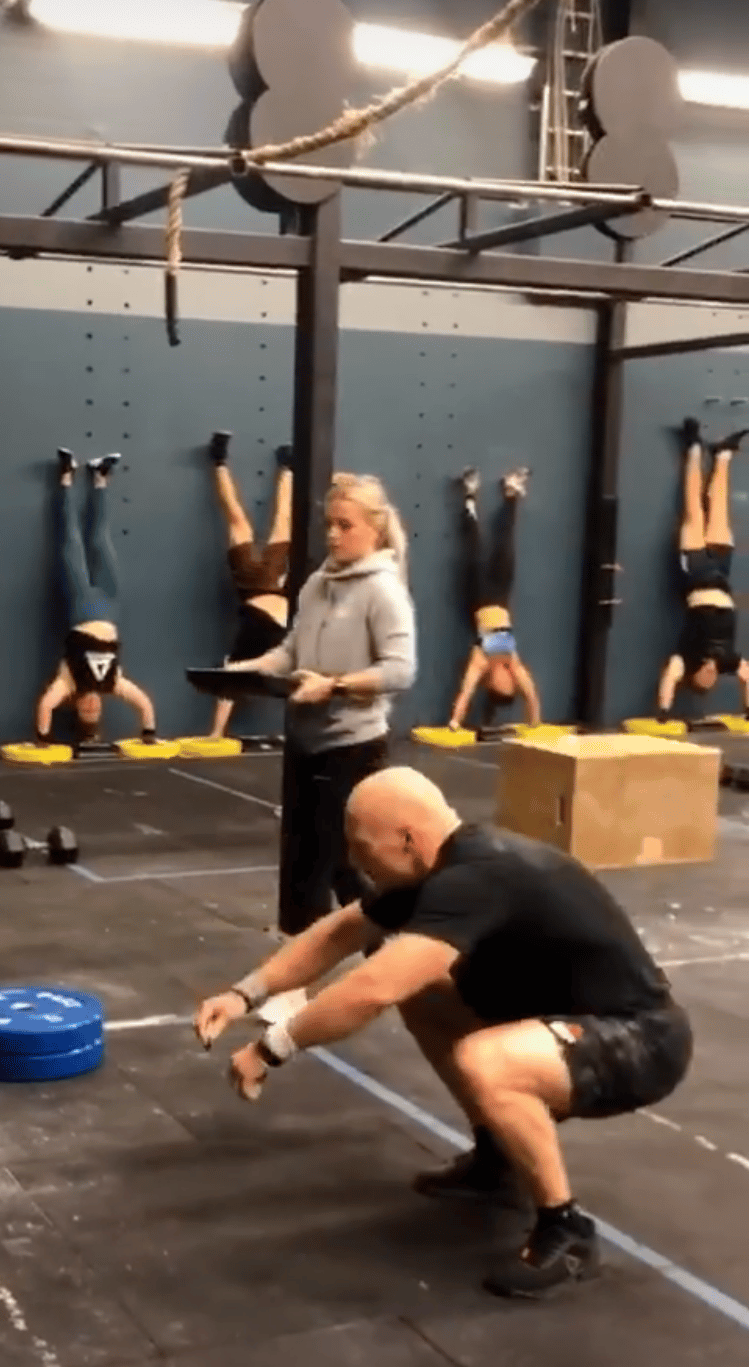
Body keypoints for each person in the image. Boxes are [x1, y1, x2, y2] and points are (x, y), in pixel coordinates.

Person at [193, 766, 692, 1300]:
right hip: (571, 1021)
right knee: (426, 994)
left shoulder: (476, 879)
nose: (354, 860)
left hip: (638, 1040)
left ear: (407, 839)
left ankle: (566, 1230)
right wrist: (245, 993)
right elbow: (342, 931)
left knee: (485, 1058)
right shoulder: (437, 867)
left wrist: (270, 1049)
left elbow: (371, 989)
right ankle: (499, 1157)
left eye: (362, 846)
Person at [231, 472, 416, 1021]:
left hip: (354, 746)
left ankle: (293, 987)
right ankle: (391, 946)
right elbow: (290, 653)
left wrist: (334, 686)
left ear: (374, 529)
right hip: (305, 741)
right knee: (322, 862)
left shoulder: (383, 590)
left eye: (345, 525)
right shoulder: (315, 584)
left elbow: (400, 670)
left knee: (318, 863)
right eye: (328, 524)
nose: (333, 534)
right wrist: (244, 671)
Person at [35, 451, 157, 746]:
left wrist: (44, 738)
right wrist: (149, 734)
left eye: (85, 711)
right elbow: (144, 704)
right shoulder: (113, 683)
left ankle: (66, 477)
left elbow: (46, 706)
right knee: (101, 541)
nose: (91, 706)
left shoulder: (68, 682)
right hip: (109, 606)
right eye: (94, 711)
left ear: (76, 706)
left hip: (80, 608)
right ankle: (100, 478)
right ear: (101, 708)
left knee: (72, 541)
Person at [656, 419, 749, 719]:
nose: (710, 676)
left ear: (694, 677)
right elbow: (747, 675)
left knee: (694, 510)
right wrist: (748, 709)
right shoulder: (727, 663)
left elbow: (670, 677)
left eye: (703, 679)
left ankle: (694, 448)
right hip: (721, 574)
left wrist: (664, 712)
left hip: (695, 575)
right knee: (720, 509)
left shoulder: (685, 659)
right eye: (712, 681)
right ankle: (723, 455)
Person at [206, 430, 292, 739]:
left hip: (250, 587)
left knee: (238, 520)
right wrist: (216, 736)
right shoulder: (282, 648)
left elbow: (228, 684)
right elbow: (229, 686)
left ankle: (219, 461)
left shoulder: (250, 651)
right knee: (282, 521)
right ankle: (287, 467)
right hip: (276, 585)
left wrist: (216, 735)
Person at [448, 468, 542, 732]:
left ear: (492, 684)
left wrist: (455, 721)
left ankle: (469, 495)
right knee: (506, 548)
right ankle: (511, 494)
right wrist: (535, 721)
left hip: (479, 597)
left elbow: (466, 692)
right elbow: (531, 694)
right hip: (501, 597)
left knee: (474, 548)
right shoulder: (511, 660)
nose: (511, 681)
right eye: (512, 684)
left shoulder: (481, 659)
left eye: (507, 685)